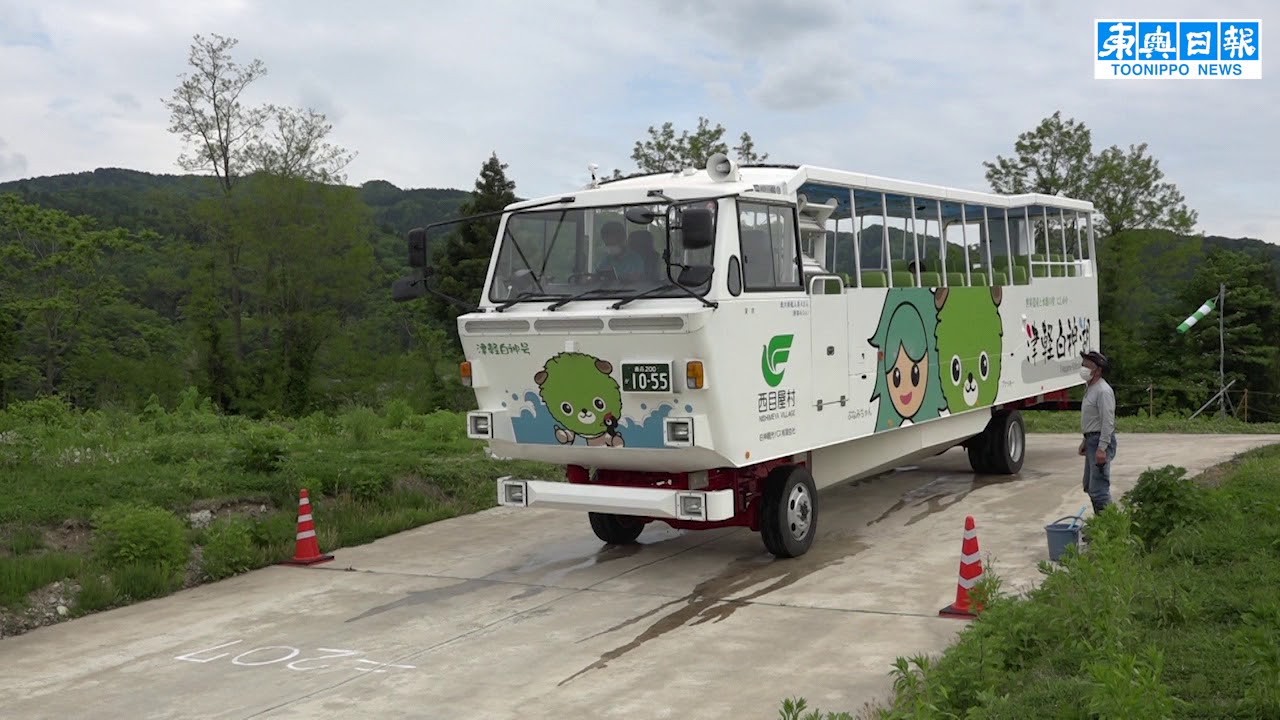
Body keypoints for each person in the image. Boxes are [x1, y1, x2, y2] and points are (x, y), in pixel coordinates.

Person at [1078, 349, 1117, 513]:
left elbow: (1107, 421)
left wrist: (1102, 448)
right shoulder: (1090, 388)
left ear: (1098, 370)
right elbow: (1092, 419)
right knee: (1089, 485)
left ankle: (1109, 526)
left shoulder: (1103, 391)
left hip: (1100, 441)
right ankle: (1100, 523)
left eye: (1087, 365)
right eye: (1083, 364)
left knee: (1099, 488)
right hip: (1092, 439)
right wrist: (1085, 440)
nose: (1083, 368)